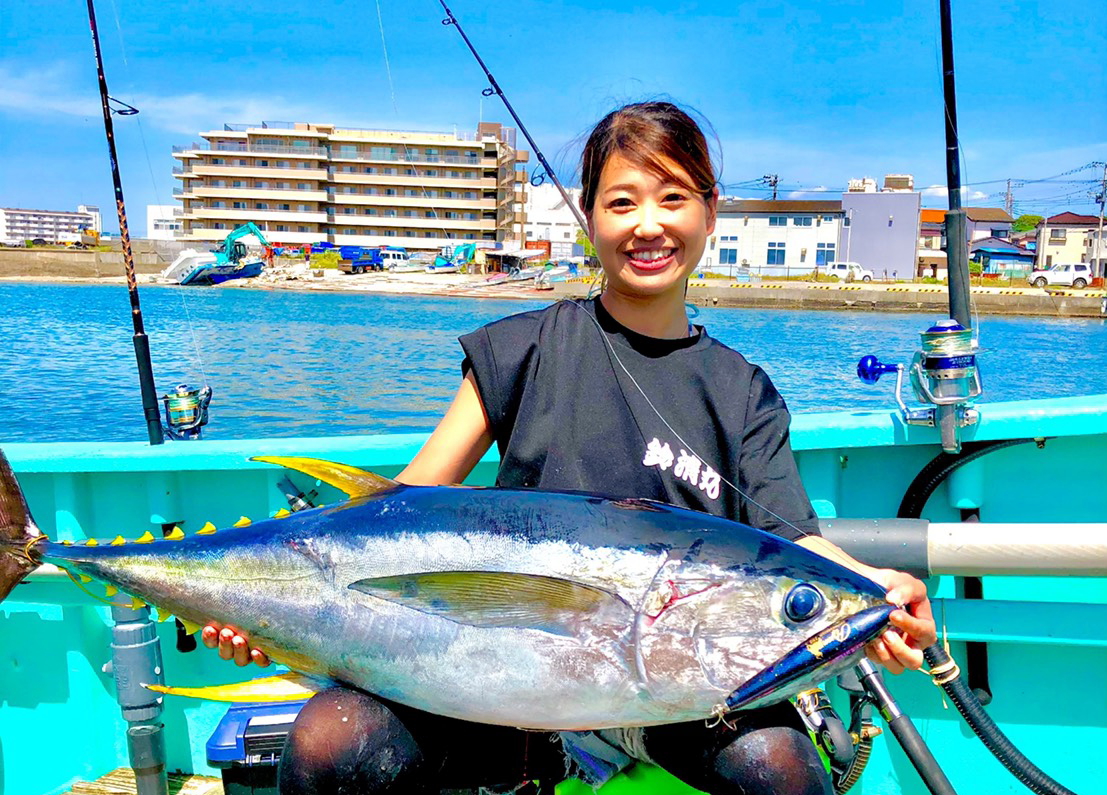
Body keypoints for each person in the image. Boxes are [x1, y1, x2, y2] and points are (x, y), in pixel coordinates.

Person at [204, 101, 936, 795]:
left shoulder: (740, 391)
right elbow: (400, 509)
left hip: (674, 690)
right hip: (493, 669)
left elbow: (791, 538)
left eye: (673, 197)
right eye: (621, 203)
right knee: (329, 741)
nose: (647, 225)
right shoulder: (523, 348)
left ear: (711, 210)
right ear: (588, 217)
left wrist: (875, 590)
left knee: (779, 766)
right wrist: (260, 598)